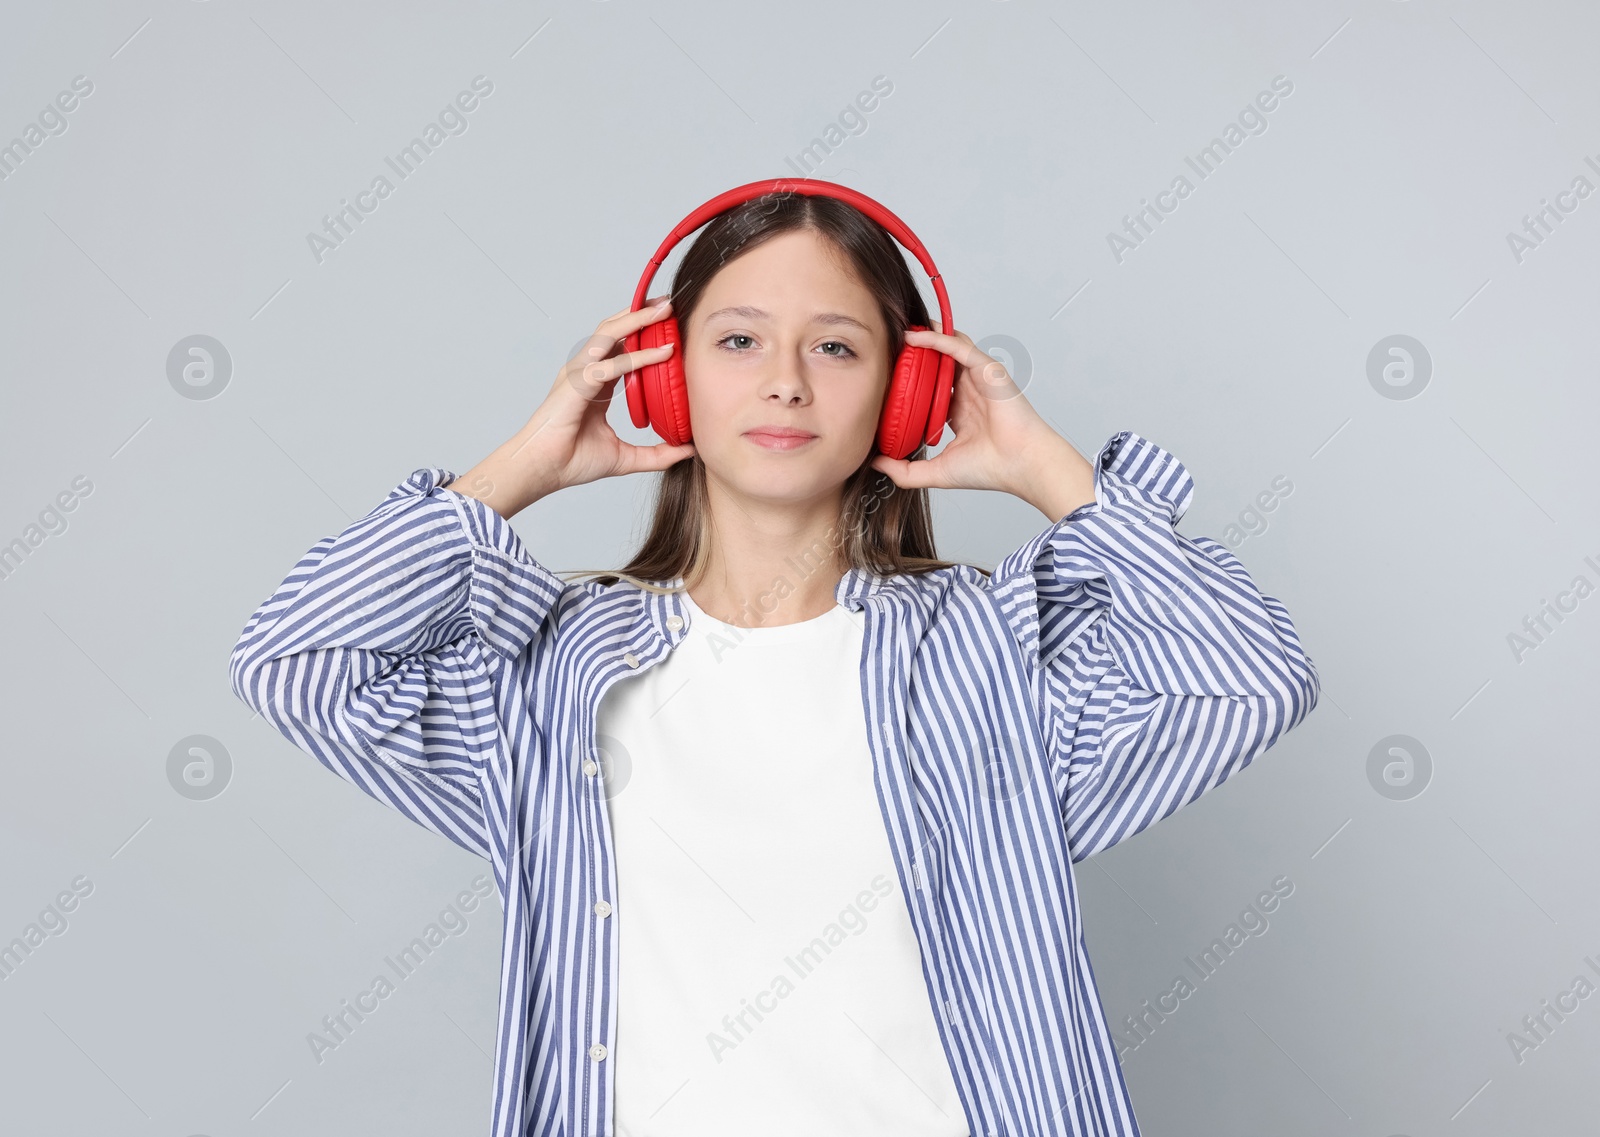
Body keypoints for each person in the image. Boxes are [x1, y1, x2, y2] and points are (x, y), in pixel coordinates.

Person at [229, 187, 1320, 1137]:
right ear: (662, 380)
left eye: (837, 346)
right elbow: (301, 659)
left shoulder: (987, 666)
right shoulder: (555, 682)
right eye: (738, 340)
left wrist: (1049, 471)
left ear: (909, 394)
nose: (786, 383)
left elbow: (1249, 675)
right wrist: (519, 468)